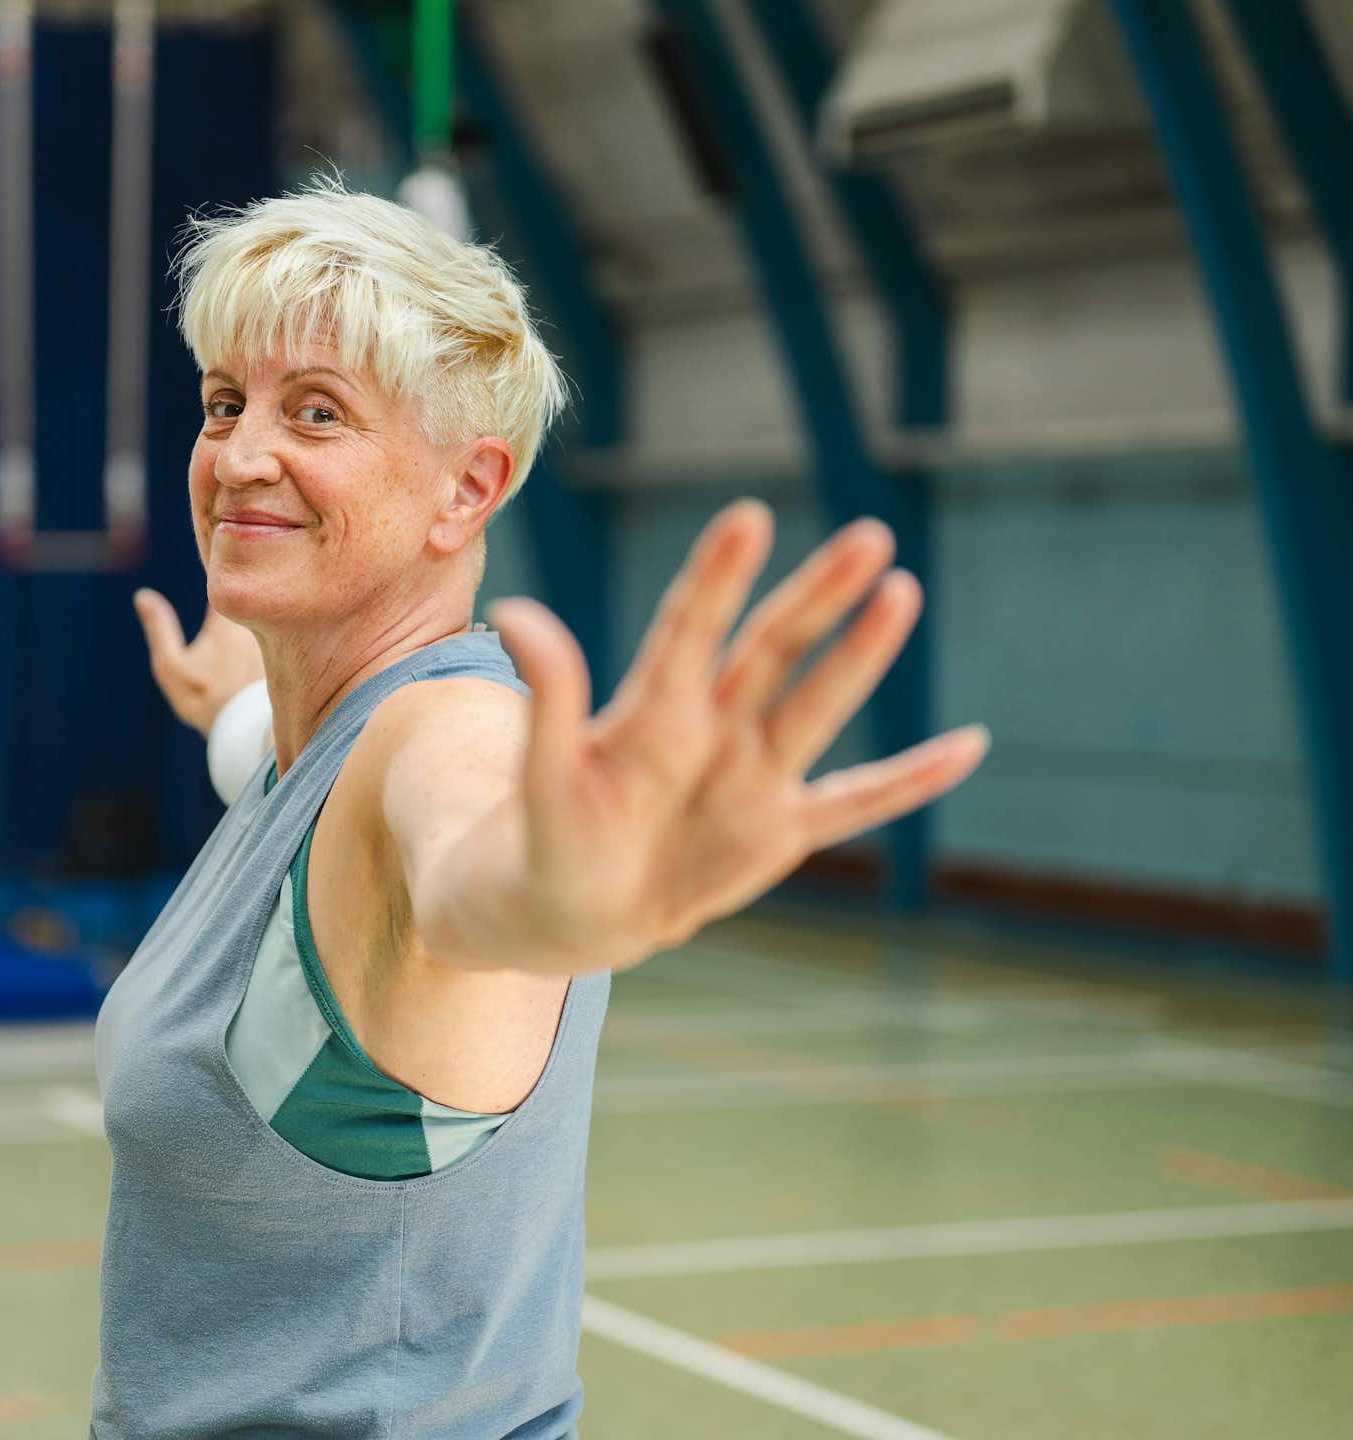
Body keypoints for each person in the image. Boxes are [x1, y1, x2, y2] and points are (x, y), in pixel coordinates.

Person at [100, 180, 988, 1438]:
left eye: (316, 412)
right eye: (224, 403)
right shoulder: (305, 753)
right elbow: (288, 781)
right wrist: (235, 707)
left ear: (466, 491)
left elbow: (469, 860)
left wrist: (565, 899)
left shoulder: (447, 735)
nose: (240, 455)